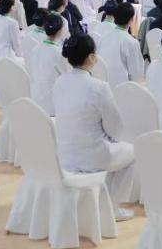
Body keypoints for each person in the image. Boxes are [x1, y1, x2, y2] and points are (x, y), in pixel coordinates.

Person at [53, 34, 136, 220]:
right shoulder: (99, 87)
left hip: (64, 154)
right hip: (92, 156)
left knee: (116, 149)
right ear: (91, 57)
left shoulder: (59, 82)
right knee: (132, 153)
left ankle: (103, 201)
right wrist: (114, 140)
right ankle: (112, 208)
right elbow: (115, 127)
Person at [29, 13, 70, 115]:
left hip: (35, 99)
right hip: (53, 104)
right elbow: (68, 76)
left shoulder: (35, 49)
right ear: (61, 30)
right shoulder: (58, 53)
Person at [97, 2, 144, 85]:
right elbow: (137, 74)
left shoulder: (104, 38)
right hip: (122, 88)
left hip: (102, 84)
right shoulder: (132, 42)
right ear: (132, 19)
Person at [0, 0, 22, 66]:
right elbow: (16, 44)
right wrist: (21, 55)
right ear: (11, 7)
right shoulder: (12, 22)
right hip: (7, 58)